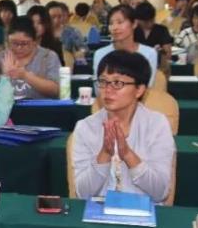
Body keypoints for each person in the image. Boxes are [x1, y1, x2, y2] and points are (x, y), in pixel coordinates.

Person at [71, 51, 174, 203]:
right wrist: (104, 154)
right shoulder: (85, 127)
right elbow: (82, 193)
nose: (107, 90)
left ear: (139, 90)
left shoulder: (157, 125)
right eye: (103, 81)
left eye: (117, 83)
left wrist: (127, 154)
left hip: (144, 213)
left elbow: (160, 193)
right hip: (99, 213)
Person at [92, 6, 158, 87]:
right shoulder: (100, 54)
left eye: (120, 22)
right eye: (111, 23)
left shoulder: (149, 53)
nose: (115, 27)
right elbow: (99, 87)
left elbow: (147, 87)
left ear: (134, 24)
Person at [0, 18, 61, 99]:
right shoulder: (1, 57)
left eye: (24, 43)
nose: (19, 47)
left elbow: (56, 90)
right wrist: (4, 76)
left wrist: (25, 76)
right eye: (14, 43)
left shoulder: (48, 57)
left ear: (35, 41)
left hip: (40, 106)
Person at [133, 2, 173, 69]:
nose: (150, 23)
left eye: (152, 20)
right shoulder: (132, 31)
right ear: (138, 20)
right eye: (146, 22)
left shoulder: (162, 30)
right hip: (135, 67)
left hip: (157, 67)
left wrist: (161, 52)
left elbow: (168, 54)